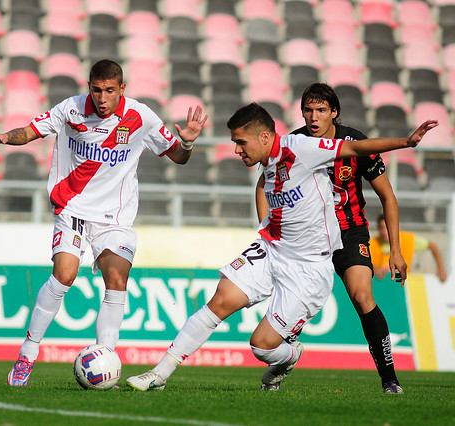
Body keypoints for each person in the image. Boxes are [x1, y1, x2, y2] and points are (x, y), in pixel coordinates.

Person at [126, 103, 437, 393]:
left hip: (309, 268)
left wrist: (407, 142)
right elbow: (264, 188)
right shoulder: (267, 161)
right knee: (220, 300)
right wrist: (266, 226)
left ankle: (289, 355)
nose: (236, 150)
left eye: (241, 142)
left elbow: (354, 147)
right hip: (272, 249)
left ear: (264, 136)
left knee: (262, 346)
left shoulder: (301, 148)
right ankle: (159, 374)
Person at [0, 59, 208, 386]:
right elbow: (31, 130)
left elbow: (178, 156)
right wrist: (6, 136)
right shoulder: (71, 109)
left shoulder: (141, 117)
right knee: (64, 276)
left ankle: (105, 359)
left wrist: (186, 141)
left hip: (114, 218)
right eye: (96, 90)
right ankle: (27, 354)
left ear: (122, 89)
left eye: (110, 91)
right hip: (71, 208)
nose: (102, 98)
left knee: (117, 279)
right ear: (89, 87)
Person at [287, 83, 405, 394]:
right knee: (290, 307)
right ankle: (279, 365)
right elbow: (264, 183)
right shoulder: (294, 142)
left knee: (362, 297)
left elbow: (387, 197)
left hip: (350, 231)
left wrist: (396, 251)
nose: (313, 117)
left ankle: (389, 379)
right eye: (308, 110)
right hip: (309, 236)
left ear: (334, 113)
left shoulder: (355, 142)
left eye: (321, 110)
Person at [371, 214, 447, 283]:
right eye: (382, 228)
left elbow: (433, 246)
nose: (385, 231)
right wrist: (374, 269)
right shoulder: (372, 244)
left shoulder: (407, 239)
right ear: (378, 228)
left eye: (387, 227)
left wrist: (441, 270)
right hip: (381, 285)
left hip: (403, 285)